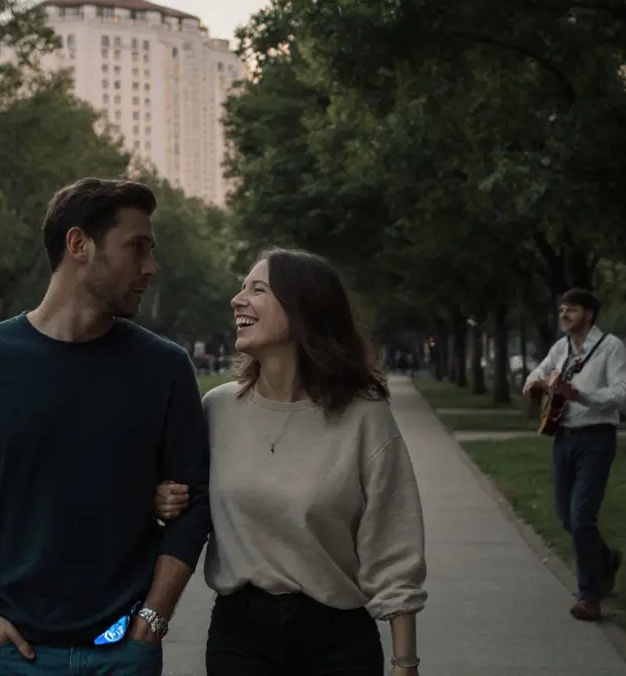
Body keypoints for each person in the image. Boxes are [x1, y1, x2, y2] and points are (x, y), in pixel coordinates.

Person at [0, 178, 211, 675]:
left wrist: (152, 621)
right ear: (79, 245)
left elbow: (195, 503)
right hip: (12, 655)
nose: (151, 267)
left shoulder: (164, 367)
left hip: (125, 653)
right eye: (137, 247)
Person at [155, 248, 428, 676]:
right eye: (242, 288)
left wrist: (405, 661)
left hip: (338, 643)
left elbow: (394, 542)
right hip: (241, 639)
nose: (237, 300)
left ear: (303, 308)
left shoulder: (364, 416)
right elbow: (189, 500)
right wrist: (163, 496)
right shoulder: (217, 410)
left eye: (258, 289)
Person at [522, 287, 626, 622]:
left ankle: (589, 596)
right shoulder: (561, 348)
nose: (564, 315)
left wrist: (580, 395)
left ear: (589, 314)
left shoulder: (611, 346)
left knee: (583, 517)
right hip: (563, 438)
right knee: (567, 517)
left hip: (596, 438)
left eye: (571, 309)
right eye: (562, 310)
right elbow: (534, 376)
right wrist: (540, 384)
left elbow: (621, 395)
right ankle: (606, 559)